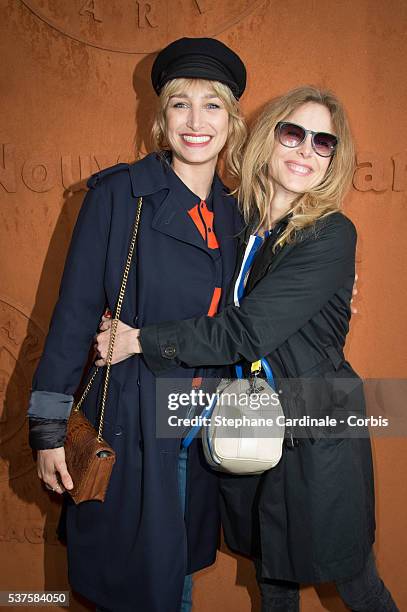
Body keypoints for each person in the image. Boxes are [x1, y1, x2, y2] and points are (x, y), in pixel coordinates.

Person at [101, 86, 398, 611]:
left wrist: (141, 340)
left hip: (317, 427)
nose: (306, 150)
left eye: (323, 143)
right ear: (270, 137)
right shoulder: (237, 220)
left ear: (334, 157)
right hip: (250, 419)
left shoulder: (330, 234)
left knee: (355, 580)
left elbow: (245, 331)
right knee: (273, 580)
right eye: (293, 133)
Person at [26, 37, 247, 612]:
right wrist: (49, 431)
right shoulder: (120, 196)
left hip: (210, 425)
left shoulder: (237, 212)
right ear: (160, 116)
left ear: (232, 120)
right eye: (180, 103)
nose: (196, 121)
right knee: (145, 580)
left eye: (213, 104)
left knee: (175, 574)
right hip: (135, 416)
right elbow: (74, 315)